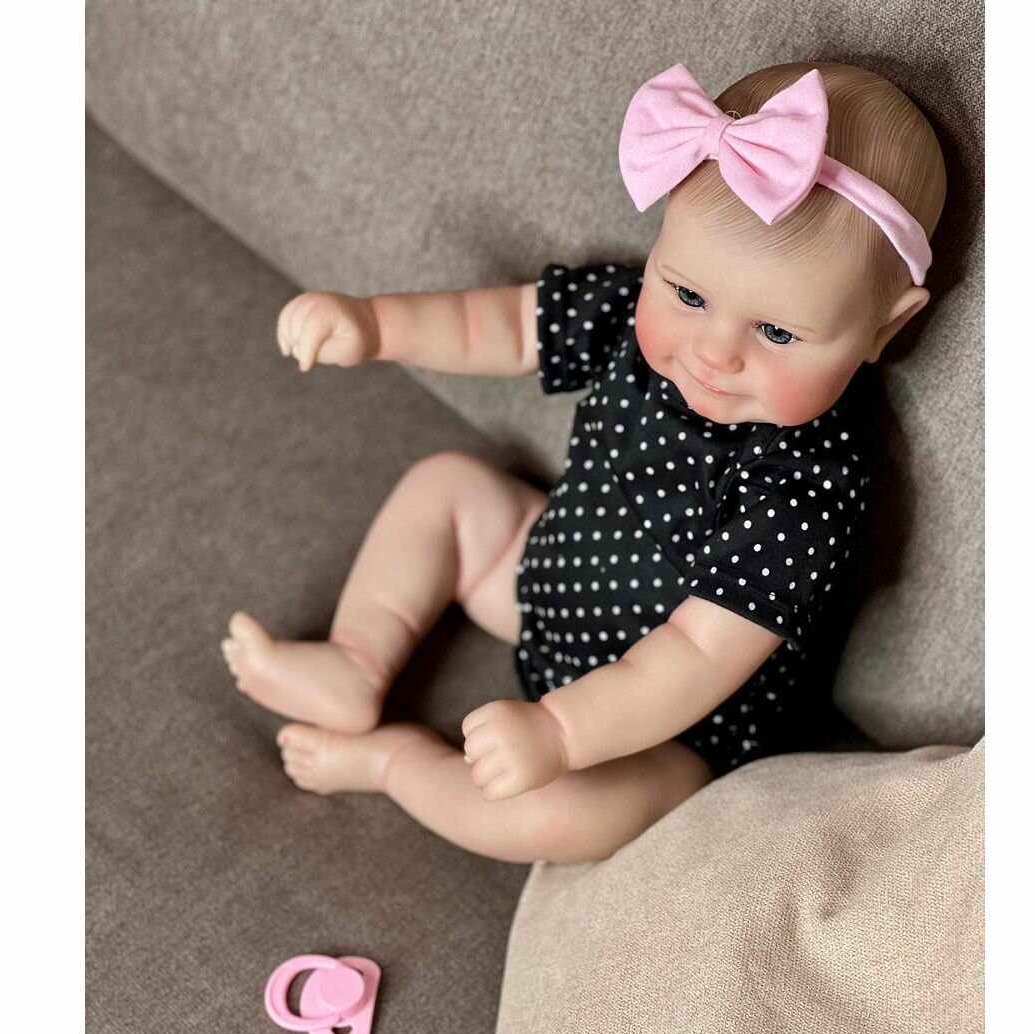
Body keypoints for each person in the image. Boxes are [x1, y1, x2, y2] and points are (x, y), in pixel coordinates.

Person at [221, 61, 947, 864]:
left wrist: (561, 733)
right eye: (688, 296)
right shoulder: (625, 309)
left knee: (561, 819)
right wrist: (374, 326)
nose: (712, 353)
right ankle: (355, 661)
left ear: (886, 328)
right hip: (550, 582)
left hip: (674, 730)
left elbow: (698, 654)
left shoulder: (806, 485)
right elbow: (498, 327)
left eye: (776, 333)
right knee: (448, 487)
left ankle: (393, 763)